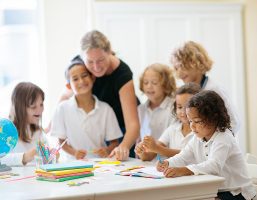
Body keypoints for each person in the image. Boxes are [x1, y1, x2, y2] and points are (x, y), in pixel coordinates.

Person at [157, 90, 256, 200]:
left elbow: (214, 166)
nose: (192, 126)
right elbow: (184, 156)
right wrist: (168, 163)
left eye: (197, 121)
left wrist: (184, 170)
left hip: (237, 193)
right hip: (218, 190)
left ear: (214, 118)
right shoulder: (197, 137)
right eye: (190, 121)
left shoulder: (224, 137)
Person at [60, 30, 140, 160]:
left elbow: (133, 124)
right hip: (98, 123)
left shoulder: (122, 74)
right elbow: (65, 95)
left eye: (101, 60)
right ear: (82, 57)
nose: (96, 67)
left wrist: (123, 146)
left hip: (122, 125)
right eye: (90, 62)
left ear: (109, 52)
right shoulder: (78, 65)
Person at [50, 56, 122, 160]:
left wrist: (107, 150)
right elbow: (60, 142)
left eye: (84, 76)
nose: (81, 81)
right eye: (75, 79)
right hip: (72, 164)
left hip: (100, 164)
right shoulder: (62, 109)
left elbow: (114, 142)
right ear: (69, 86)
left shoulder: (106, 109)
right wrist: (74, 153)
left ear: (92, 78)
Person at [170, 41, 240, 134]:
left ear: (196, 62)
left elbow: (234, 123)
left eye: (182, 66)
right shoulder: (184, 92)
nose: (179, 73)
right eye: (176, 68)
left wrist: (213, 141)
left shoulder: (214, 89)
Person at [135, 83, 201, 161]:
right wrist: (141, 151)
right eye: (179, 107)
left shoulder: (201, 131)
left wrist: (157, 148)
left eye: (187, 107)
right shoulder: (173, 129)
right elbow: (148, 157)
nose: (183, 111)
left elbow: (188, 155)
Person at [1, 82, 45, 166]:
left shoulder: (38, 131)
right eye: (33, 106)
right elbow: (2, 159)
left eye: (41, 104)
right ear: (19, 108)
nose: (40, 110)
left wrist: (52, 155)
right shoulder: (5, 131)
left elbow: (44, 157)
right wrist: (24, 157)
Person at [138, 63, 176, 141]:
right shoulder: (140, 109)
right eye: (145, 82)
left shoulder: (174, 108)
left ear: (166, 85)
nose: (149, 86)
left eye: (154, 83)